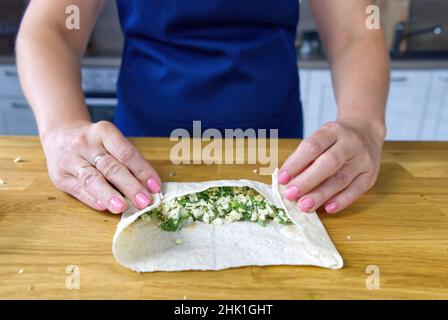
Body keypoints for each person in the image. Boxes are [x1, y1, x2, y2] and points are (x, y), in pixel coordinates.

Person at [16, 0, 389, 215]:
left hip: (276, 150)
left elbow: (356, 28)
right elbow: (52, 27)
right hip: (142, 151)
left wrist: (364, 123)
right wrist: (61, 127)